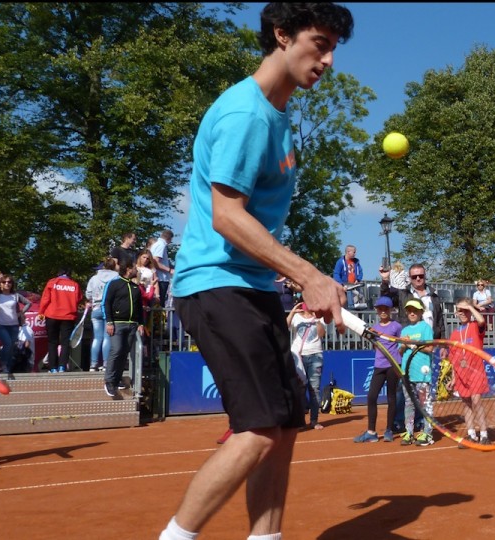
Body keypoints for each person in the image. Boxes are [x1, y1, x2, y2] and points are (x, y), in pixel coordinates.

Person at [159, 4, 353, 539]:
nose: (329, 60)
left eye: (335, 48)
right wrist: (309, 274)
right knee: (260, 430)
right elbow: (226, 216)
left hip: (251, 287)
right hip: (216, 285)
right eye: (320, 44)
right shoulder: (246, 114)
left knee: (285, 427)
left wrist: (297, 279)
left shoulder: (280, 118)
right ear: (282, 35)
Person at [354, 296, 402, 443]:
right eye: (380, 308)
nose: (383, 311)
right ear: (376, 310)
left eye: (386, 308)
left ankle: (389, 430)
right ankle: (371, 432)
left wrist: (396, 357)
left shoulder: (397, 326)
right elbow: (375, 345)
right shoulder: (374, 328)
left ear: (391, 310)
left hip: (393, 365)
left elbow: (401, 345)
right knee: (371, 397)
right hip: (379, 366)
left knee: (391, 397)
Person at [102, 257, 146, 398]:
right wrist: (109, 322)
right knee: (116, 350)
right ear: (128, 269)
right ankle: (109, 380)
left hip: (132, 325)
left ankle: (117, 378)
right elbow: (106, 303)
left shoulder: (135, 287)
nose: (136, 270)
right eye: (134, 267)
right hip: (117, 324)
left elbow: (139, 308)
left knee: (124, 353)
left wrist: (140, 323)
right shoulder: (114, 284)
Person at [449, 298, 490, 447]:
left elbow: (481, 320)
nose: (463, 313)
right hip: (461, 373)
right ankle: (471, 434)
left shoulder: (474, 326)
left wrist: (470, 307)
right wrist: (453, 378)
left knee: (476, 401)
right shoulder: (454, 334)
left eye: (465, 310)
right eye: (460, 311)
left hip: (475, 371)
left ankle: (484, 434)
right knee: (466, 403)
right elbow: (453, 358)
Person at [399, 299, 435, 446]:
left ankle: (427, 433)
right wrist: (403, 345)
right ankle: (409, 432)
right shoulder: (404, 330)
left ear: (421, 312)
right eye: (409, 310)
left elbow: (430, 348)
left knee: (425, 404)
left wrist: (411, 344)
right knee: (409, 403)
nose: (412, 313)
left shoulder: (426, 327)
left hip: (422, 373)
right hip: (407, 373)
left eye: (415, 310)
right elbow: (401, 351)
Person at [378, 263, 445, 338]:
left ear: (425, 276)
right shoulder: (402, 294)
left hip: (432, 342)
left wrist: (443, 345)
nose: (418, 278)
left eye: (421, 276)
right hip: (409, 341)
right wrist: (385, 280)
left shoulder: (434, 296)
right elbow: (386, 299)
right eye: (414, 277)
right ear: (409, 278)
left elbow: (440, 321)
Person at [288, 301, 325, 430]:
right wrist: (292, 312)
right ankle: (300, 421)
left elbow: (321, 334)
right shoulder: (297, 317)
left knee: (314, 389)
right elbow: (284, 326)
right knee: (299, 389)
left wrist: (317, 319)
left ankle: (314, 420)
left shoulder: (318, 316)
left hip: (316, 354)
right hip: (299, 356)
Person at [37, 268, 82, 373]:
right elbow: (78, 299)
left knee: (52, 342)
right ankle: (62, 366)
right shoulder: (74, 285)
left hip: (52, 315)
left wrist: (41, 312)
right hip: (68, 316)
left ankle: (53, 368)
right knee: (65, 342)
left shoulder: (52, 282)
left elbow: (45, 299)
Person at [0, 273, 31, 376]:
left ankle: (8, 366)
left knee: (11, 346)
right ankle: (3, 363)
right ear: (0, 284)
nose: (7, 284)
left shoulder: (15, 295)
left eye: (9, 282)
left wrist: (21, 313)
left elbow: (28, 303)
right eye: (4, 282)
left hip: (14, 325)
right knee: (8, 343)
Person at [85, 258, 120, 372]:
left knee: (97, 338)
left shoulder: (94, 278)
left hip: (96, 308)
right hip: (110, 309)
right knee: (107, 337)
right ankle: (105, 364)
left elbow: (88, 294)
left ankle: (93, 364)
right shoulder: (116, 277)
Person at [150, 229, 174, 308]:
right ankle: (159, 320)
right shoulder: (161, 245)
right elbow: (156, 262)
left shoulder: (156, 244)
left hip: (158, 278)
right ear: (169, 238)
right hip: (161, 278)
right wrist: (170, 270)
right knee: (160, 304)